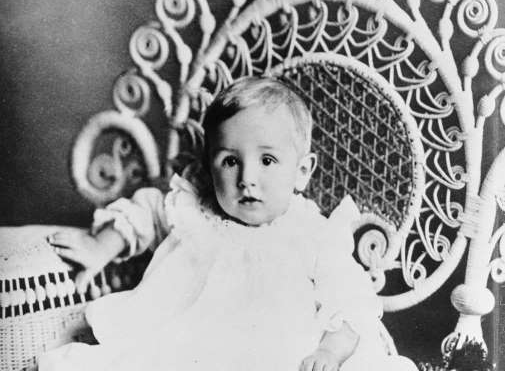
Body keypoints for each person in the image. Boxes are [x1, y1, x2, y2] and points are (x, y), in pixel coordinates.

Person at [40, 76, 417, 371]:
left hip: (280, 357)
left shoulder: (312, 233)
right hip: (189, 352)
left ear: (302, 171)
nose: (247, 178)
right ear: (210, 166)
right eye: (230, 161)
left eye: (267, 161)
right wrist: (101, 245)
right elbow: (147, 212)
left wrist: (329, 352)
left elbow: (349, 297)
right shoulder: (196, 211)